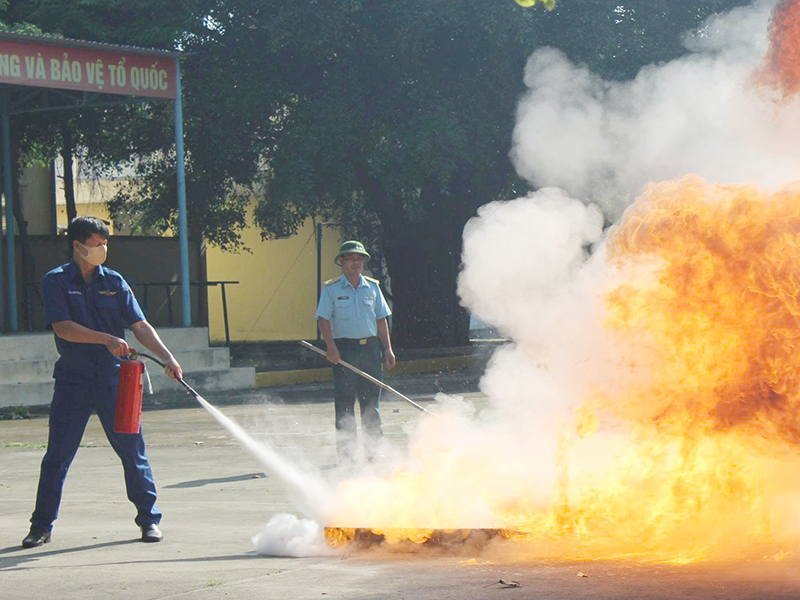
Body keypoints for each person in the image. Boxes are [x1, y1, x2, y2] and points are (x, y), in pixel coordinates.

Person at [21, 216, 183, 548]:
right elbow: (63, 327)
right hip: (73, 382)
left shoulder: (115, 281)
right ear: (77, 246)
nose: (102, 249)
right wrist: (105, 338)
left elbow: (139, 324)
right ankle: (41, 527)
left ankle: (149, 521)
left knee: (133, 452)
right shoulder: (55, 281)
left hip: (115, 382)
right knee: (58, 456)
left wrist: (168, 356)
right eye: (95, 244)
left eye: (105, 243)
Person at [316, 240, 396, 463]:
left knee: (371, 404)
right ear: (341, 261)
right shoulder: (331, 289)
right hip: (345, 350)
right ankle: (347, 455)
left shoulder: (372, 287)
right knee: (345, 404)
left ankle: (373, 452)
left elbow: (381, 319)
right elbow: (323, 320)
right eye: (351, 258)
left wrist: (388, 349)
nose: (356, 263)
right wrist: (331, 348)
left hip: (370, 350)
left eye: (359, 259)